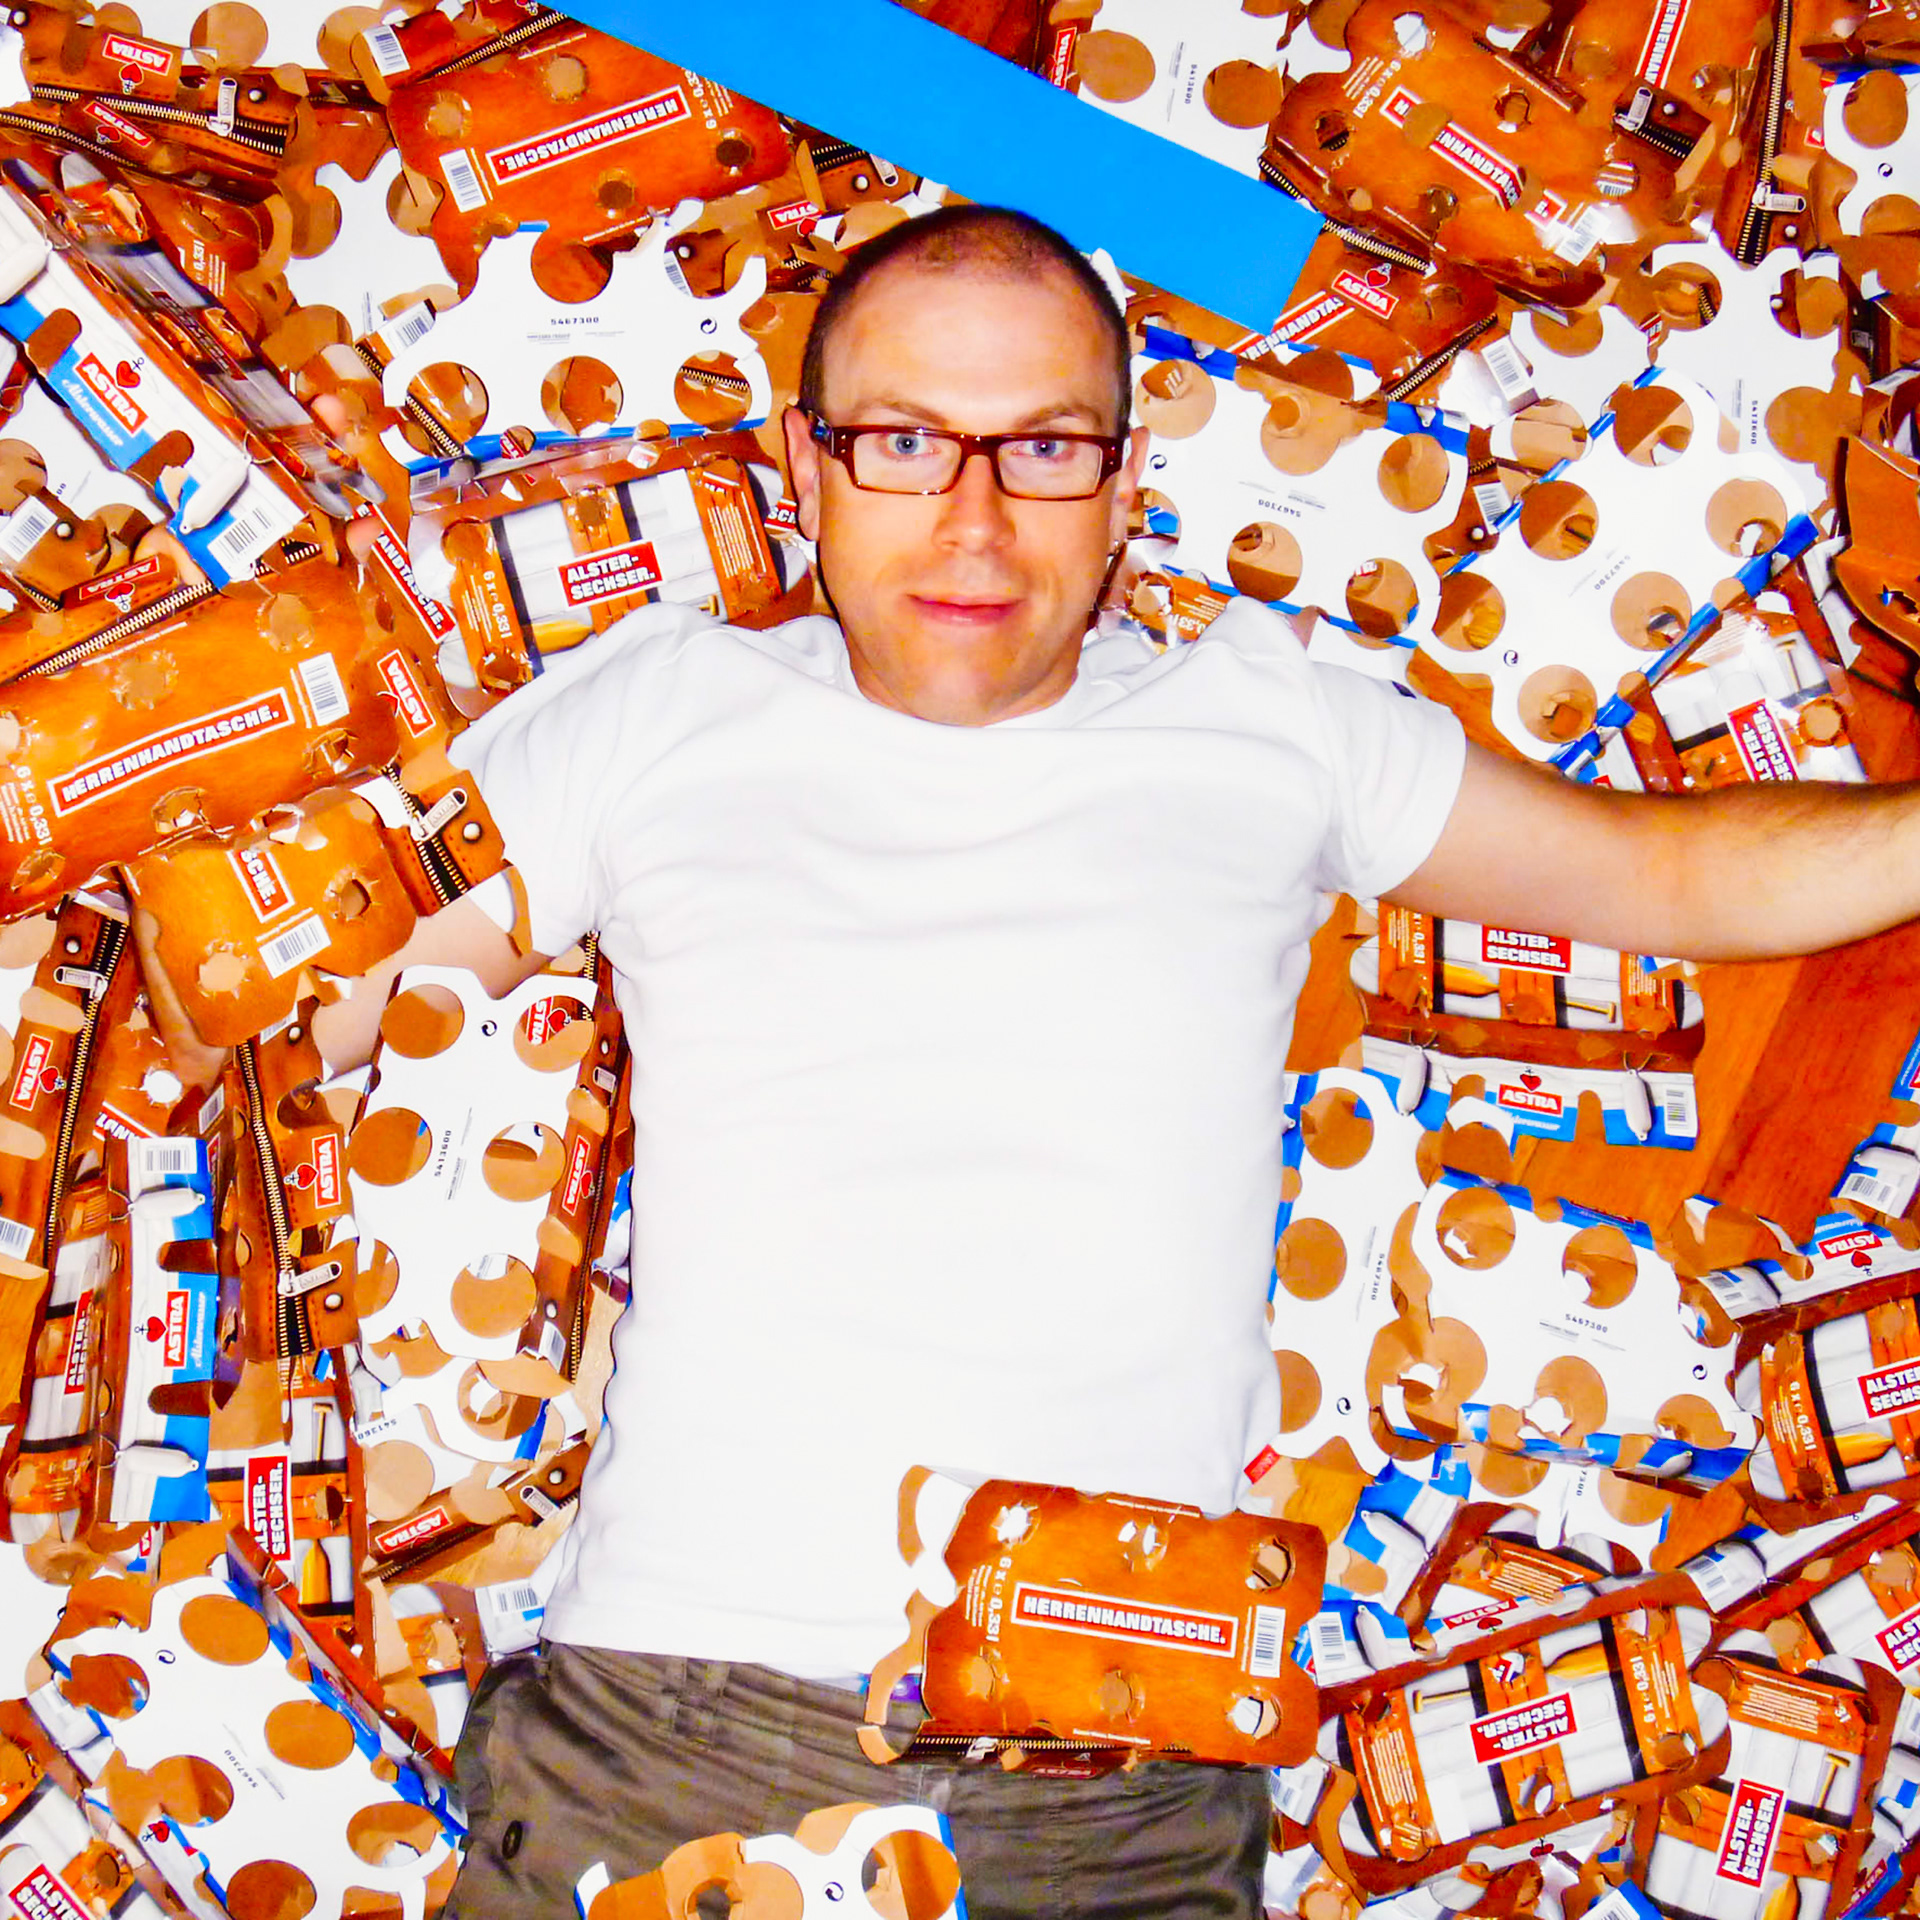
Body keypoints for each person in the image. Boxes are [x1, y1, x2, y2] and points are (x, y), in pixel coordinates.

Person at [145, 204, 1920, 1920]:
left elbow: (1667, 880)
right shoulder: (660, 715)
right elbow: (301, 1011)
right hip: (683, 1722)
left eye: (1045, 449)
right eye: (906, 443)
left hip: (1120, 1782)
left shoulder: (1277, 727)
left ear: (1127, 481)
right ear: (808, 466)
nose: (975, 522)